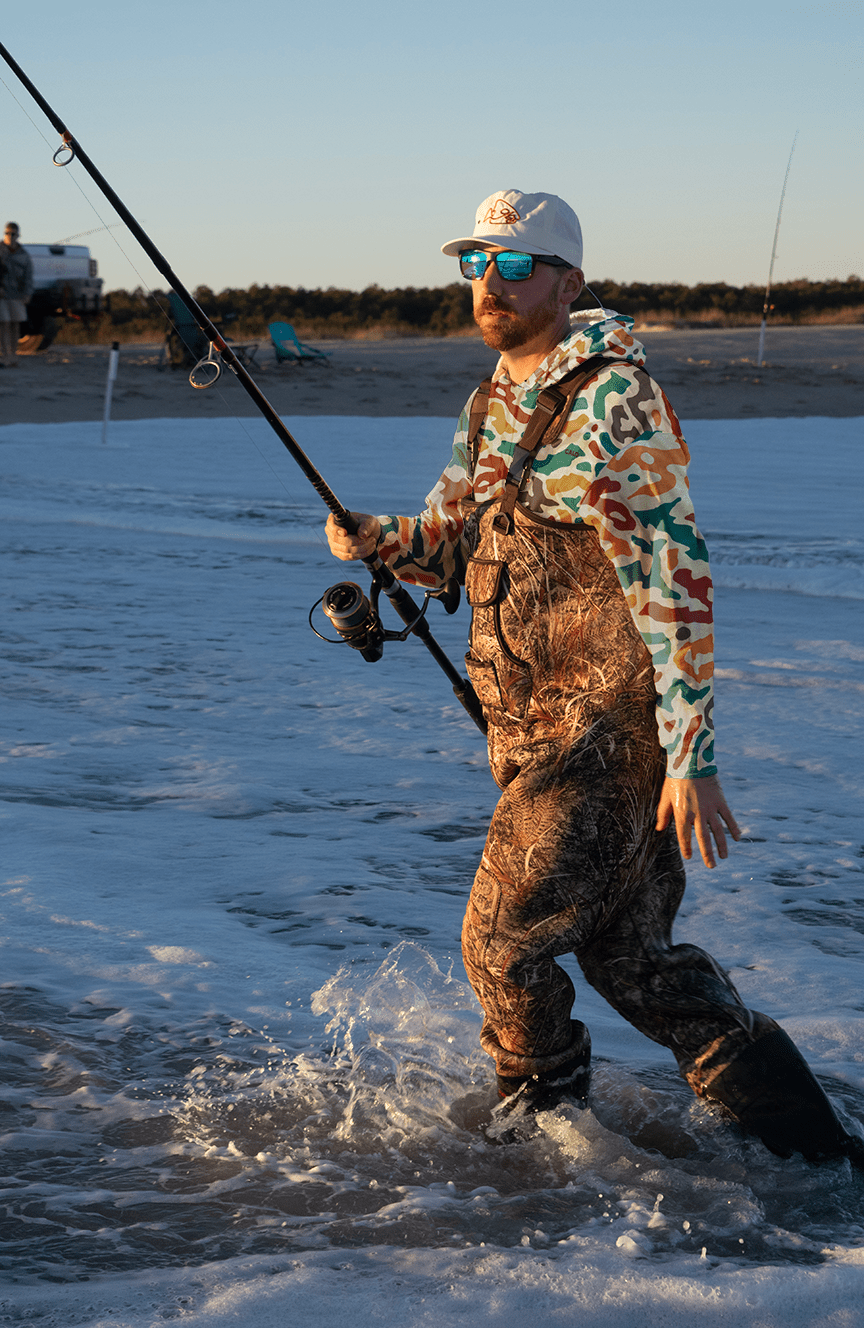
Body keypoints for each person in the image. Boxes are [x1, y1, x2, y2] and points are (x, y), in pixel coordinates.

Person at [326, 189, 862, 1165]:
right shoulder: (491, 398)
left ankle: (539, 1150)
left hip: (601, 735)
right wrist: (385, 541)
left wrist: (692, 754)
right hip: (535, 732)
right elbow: (456, 546)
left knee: (501, 942)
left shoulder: (618, 399)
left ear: (569, 282)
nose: (491, 281)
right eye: (476, 263)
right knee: (636, 962)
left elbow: (674, 575)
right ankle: (814, 1155)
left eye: (516, 264)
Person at [0, 221, 34, 367]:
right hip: (1, 295)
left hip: (17, 295)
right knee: (4, 324)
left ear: (18, 235)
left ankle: (13, 356)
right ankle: (4, 355)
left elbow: (28, 276)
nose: (10, 236)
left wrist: (27, 294)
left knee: (15, 325)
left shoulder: (24, 255)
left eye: (13, 234)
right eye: (7, 233)